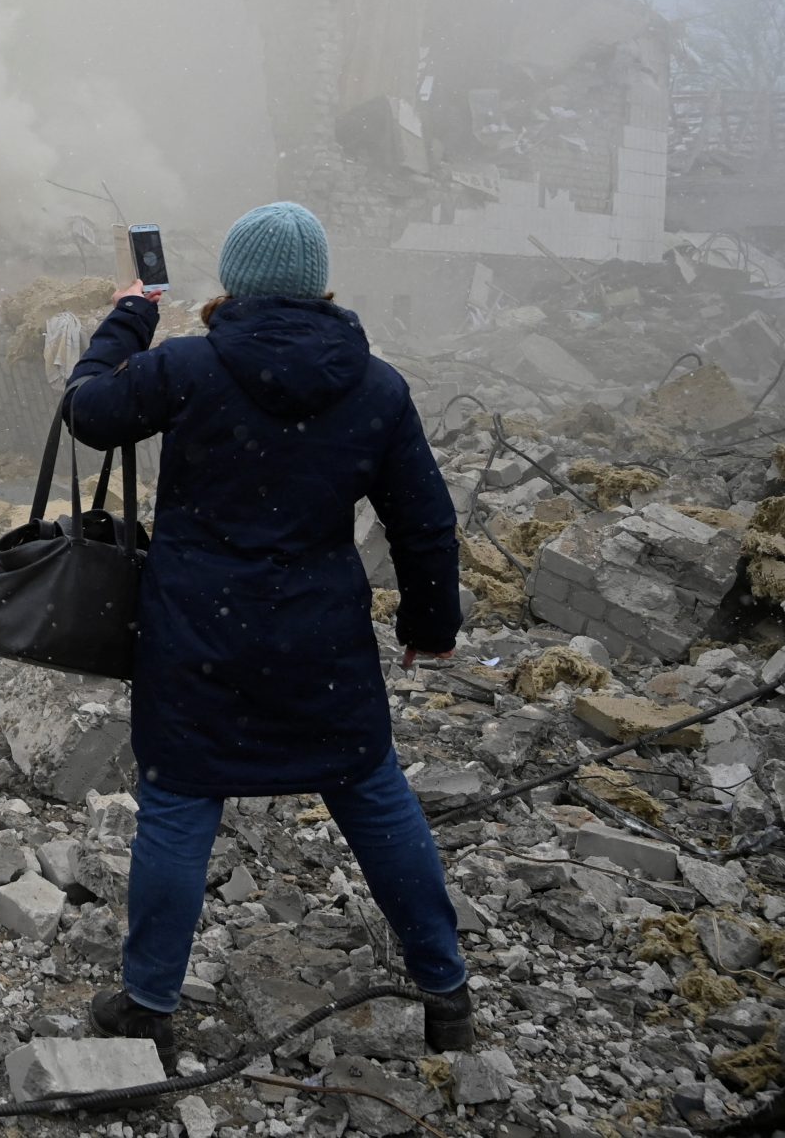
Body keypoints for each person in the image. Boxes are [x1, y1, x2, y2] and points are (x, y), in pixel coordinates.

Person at [59, 200, 474, 1057]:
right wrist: (432, 623)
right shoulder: (378, 386)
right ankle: (447, 990)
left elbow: (88, 410)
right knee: (371, 790)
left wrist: (132, 311)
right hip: (322, 642)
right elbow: (425, 524)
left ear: (234, 283)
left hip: (196, 637)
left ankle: (149, 1003)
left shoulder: (189, 367)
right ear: (323, 284)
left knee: (178, 801)